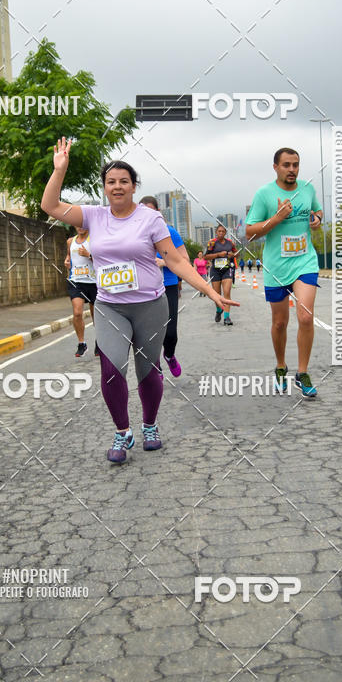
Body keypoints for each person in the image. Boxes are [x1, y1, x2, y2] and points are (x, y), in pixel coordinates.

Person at [41, 139, 239, 464]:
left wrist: (211, 290)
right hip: (109, 307)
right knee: (111, 369)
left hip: (150, 305)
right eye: (111, 182)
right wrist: (59, 170)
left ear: (133, 187)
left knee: (148, 370)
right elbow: (50, 205)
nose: (117, 187)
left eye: (124, 181)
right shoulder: (93, 216)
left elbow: (175, 261)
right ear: (104, 187)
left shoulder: (150, 220)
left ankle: (149, 425)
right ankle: (122, 431)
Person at [245, 147, 323, 398]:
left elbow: (318, 211)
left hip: (305, 262)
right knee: (280, 323)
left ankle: (302, 372)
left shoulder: (308, 189)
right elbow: (250, 233)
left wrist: (317, 219)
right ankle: (281, 366)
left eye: (296, 165)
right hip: (277, 267)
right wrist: (277, 218)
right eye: (286, 165)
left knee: (305, 317)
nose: (292, 170)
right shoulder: (264, 194)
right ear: (276, 167)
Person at [139, 196, 187, 377]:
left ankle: (169, 355)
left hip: (168, 285)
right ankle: (155, 363)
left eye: (151, 211)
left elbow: (184, 260)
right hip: (145, 289)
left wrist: (163, 262)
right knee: (150, 332)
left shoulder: (169, 232)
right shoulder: (134, 234)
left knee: (170, 333)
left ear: (158, 213)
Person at [64, 226, 97, 358]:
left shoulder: (94, 240)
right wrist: (67, 261)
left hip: (93, 282)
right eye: (77, 225)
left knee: (97, 317)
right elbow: (68, 257)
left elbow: (103, 259)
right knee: (77, 313)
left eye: (82, 225)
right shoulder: (70, 241)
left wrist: (89, 255)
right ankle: (81, 343)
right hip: (76, 281)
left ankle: (99, 341)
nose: (80, 228)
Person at [204, 224, 238, 326]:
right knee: (217, 295)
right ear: (216, 232)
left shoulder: (230, 243)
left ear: (225, 233)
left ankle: (227, 317)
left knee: (227, 292)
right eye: (219, 231)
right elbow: (206, 257)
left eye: (223, 231)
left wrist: (233, 255)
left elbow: (237, 253)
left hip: (227, 270)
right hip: (216, 270)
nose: (221, 233)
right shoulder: (212, 243)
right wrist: (218, 255)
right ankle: (219, 310)